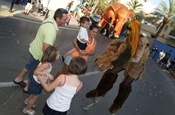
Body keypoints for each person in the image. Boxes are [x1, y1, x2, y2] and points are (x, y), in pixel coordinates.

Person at [85, 20, 150, 114]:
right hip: (128, 59)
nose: (128, 32)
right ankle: (99, 91)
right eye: (127, 30)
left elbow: (137, 58)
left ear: (135, 30)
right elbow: (121, 43)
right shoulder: (129, 37)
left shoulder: (143, 41)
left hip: (137, 65)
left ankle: (116, 105)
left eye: (130, 30)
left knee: (125, 84)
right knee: (110, 72)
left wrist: (121, 57)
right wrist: (115, 45)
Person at [13, 8, 69, 93]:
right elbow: (46, 48)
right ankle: (27, 88)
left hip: (34, 49)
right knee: (34, 71)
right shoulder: (51, 31)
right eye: (65, 19)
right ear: (57, 19)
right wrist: (48, 61)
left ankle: (18, 78)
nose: (66, 21)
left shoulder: (50, 19)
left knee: (29, 66)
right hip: (39, 54)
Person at [23, 46, 59, 115]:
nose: (59, 55)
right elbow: (35, 72)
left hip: (38, 81)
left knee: (34, 94)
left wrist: (46, 77)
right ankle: (27, 109)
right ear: (53, 56)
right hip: (37, 83)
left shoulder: (47, 63)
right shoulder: (46, 64)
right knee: (35, 96)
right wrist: (46, 74)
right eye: (58, 54)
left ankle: (28, 101)